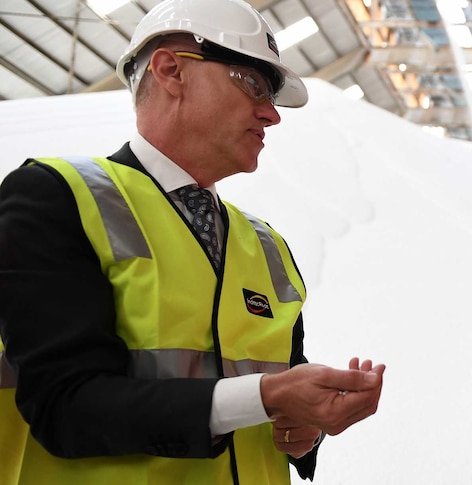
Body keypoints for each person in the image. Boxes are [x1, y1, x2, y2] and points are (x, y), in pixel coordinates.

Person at [0, 0, 385, 483]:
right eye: (253, 84)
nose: (271, 115)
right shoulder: (57, 198)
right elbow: (63, 404)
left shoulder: (267, 246)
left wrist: (303, 428)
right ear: (170, 71)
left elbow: (284, 392)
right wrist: (265, 397)